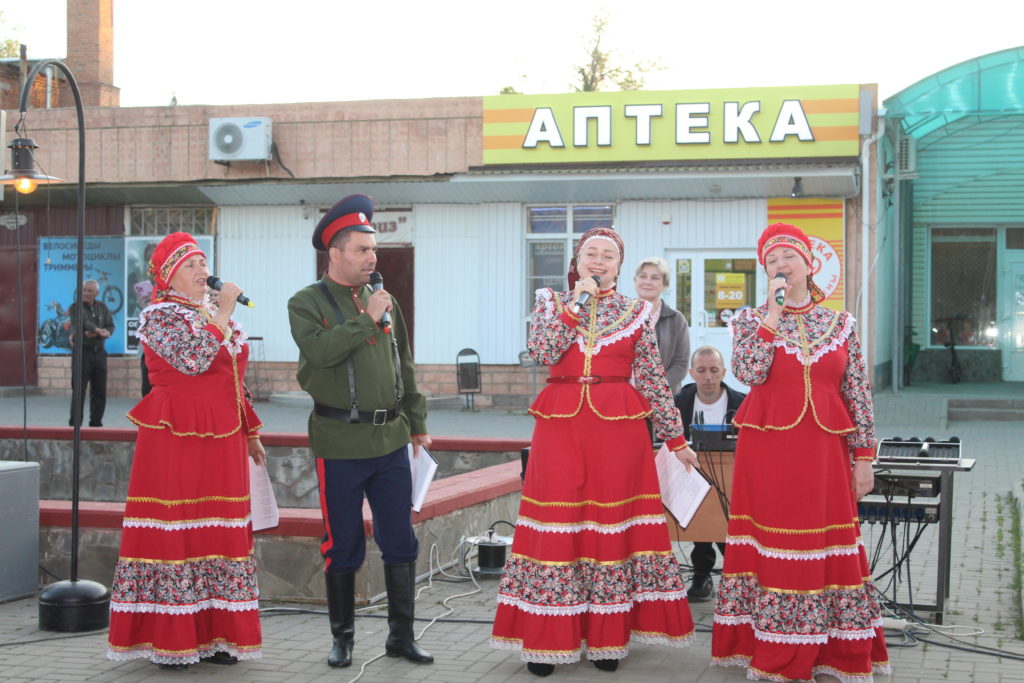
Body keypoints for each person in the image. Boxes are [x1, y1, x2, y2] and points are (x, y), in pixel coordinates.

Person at [491, 228, 699, 677]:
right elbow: (542, 350)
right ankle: (546, 640)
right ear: (578, 260)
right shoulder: (551, 302)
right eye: (591, 253)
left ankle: (607, 639)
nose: (599, 261)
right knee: (556, 526)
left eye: (608, 255)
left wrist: (676, 440)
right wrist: (575, 305)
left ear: (619, 266)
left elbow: (652, 378)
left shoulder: (637, 311)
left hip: (619, 433)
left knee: (610, 529)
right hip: (561, 429)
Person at [710, 223, 889, 681]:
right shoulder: (749, 321)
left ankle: (832, 650)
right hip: (767, 454)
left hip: (825, 455)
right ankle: (774, 647)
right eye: (772, 260)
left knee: (824, 543)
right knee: (774, 542)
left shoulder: (841, 323)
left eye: (789, 257)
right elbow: (749, 372)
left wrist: (864, 458)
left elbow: (858, 393)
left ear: (809, 266)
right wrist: (771, 317)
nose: (781, 265)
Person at [107, 232, 265, 669]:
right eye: (191, 265)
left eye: (203, 263)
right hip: (175, 437)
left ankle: (218, 634)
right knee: (176, 530)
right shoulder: (158, 316)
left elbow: (233, 378)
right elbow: (194, 359)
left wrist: (251, 430)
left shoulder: (211, 314)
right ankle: (170, 639)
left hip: (223, 438)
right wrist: (225, 312)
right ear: (169, 276)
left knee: (218, 531)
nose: (203, 271)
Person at [287, 194, 433, 669]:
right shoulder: (306, 302)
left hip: (391, 441)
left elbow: (404, 364)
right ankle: (343, 639)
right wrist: (366, 318)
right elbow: (321, 352)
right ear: (335, 253)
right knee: (343, 544)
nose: (372, 258)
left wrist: (417, 423)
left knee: (400, 542)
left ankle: (401, 638)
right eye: (362, 249)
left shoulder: (385, 301)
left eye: (374, 249)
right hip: (340, 443)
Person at [673, 346, 746, 602]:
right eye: (702, 370)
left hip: (731, 481)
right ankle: (702, 575)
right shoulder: (679, 403)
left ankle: (736, 577)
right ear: (691, 373)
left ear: (724, 372)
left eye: (714, 371)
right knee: (701, 517)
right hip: (690, 477)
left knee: (725, 516)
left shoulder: (742, 403)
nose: (708, 377)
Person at [633, 257, 689, 393]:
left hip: (664, 395)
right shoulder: (621, 315)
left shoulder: (676, 319)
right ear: (635, 280)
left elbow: (680, 364)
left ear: (665, 284)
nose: (647, 282)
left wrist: (656, 388)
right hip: (627, 393)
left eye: (654, 278)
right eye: (643, 276)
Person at [67, 279, 113, 427]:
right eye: (84, 290)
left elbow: (110, 326)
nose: (86, 293)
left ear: (96, 293)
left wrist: (104, 332)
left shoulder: (102, 307)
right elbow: (84, 323)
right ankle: (75, 426)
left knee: (99, 390)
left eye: (90, 291)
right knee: (79, 390)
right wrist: (98, 330)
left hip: (99, 353)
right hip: (83, 352)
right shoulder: (75, 307)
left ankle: (96, 424)